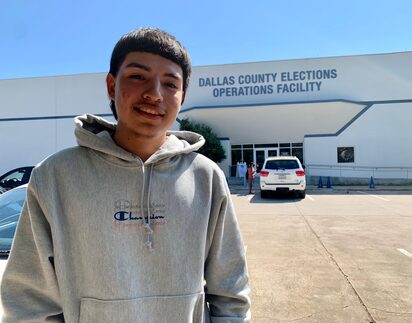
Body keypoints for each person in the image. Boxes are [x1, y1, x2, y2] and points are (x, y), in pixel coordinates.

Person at [1, 27, 251, 322]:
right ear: (111, 85)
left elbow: (230, 293)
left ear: (182, 96)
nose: (154, 94)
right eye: (137, 76)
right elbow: (29, 302)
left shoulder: (206, 178)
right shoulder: (55, 177)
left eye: (170, 83)